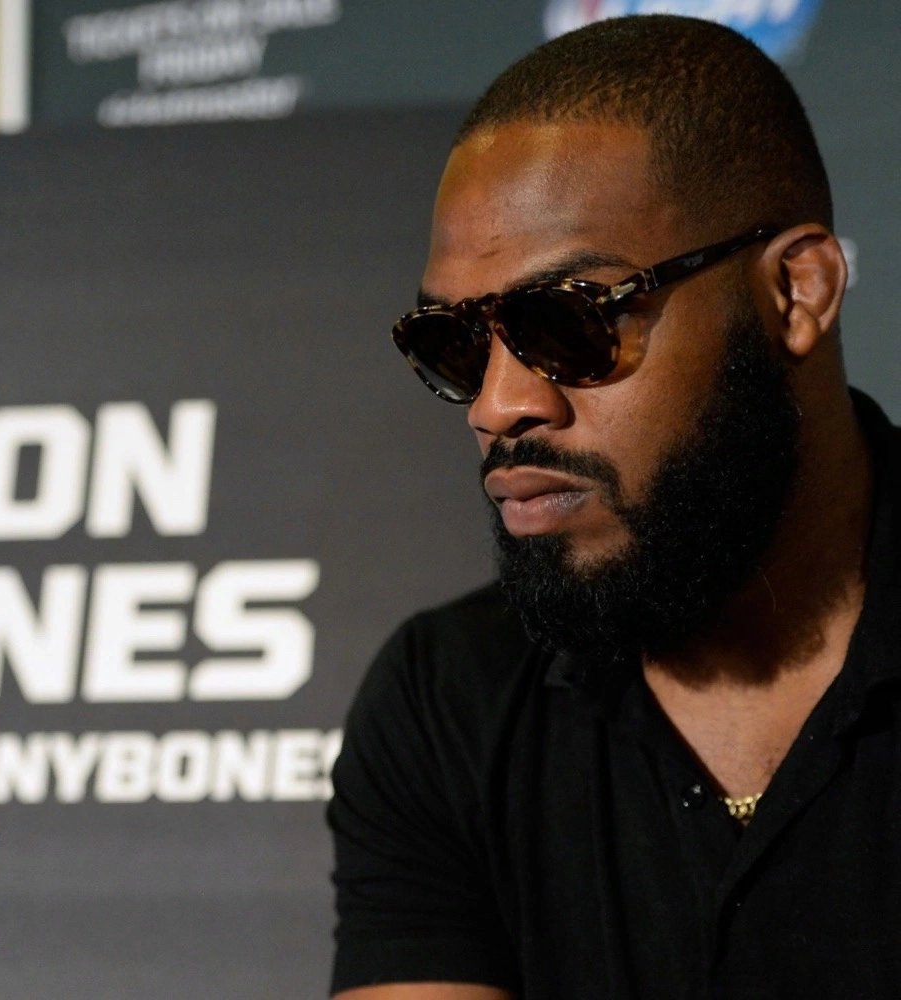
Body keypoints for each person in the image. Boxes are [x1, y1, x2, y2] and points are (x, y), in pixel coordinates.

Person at [327, 14, 900, 999]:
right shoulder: (445, 701)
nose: (498, 406)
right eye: (454, 345)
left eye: (568, 320)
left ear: (794, 293)